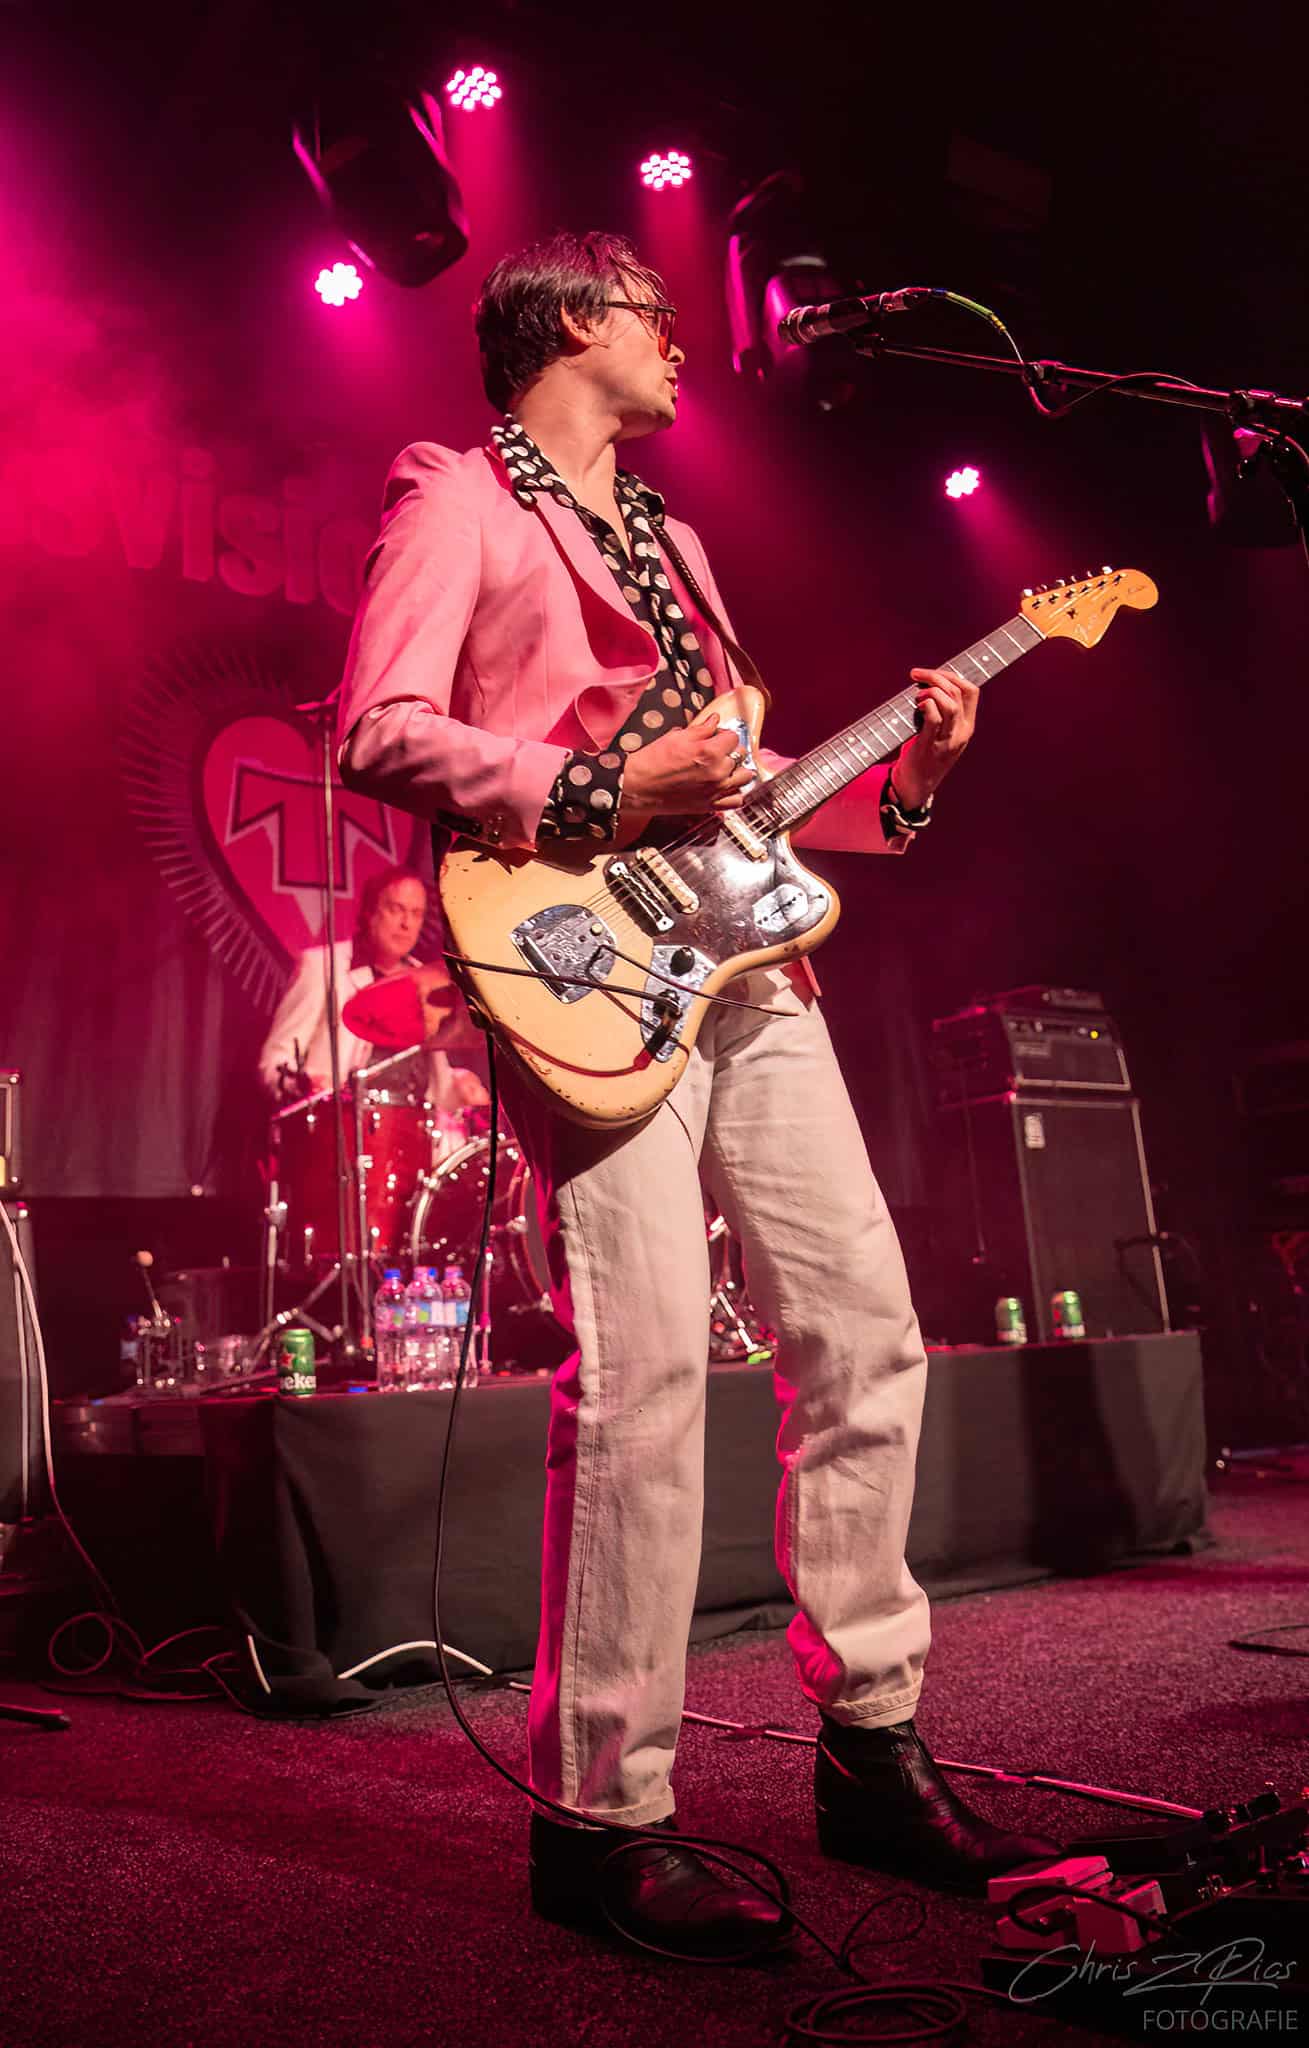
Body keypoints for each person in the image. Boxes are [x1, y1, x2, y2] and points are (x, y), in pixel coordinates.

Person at [336, 232, 1057, 1961]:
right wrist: (600, 785)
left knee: (864, 1328)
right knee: (646, 1372)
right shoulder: (459, 498)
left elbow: (734, 795)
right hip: (578, 965)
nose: (683, 346)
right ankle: (600, 1818)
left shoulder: (676, 542)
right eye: (659, 316)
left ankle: (870, 1747)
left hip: (745, 970)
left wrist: (904, 781)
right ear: (576, 320)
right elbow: (376, 728)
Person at [258, 864, 487, 1115]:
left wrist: (460, 1085)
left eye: (416, 913)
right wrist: (305, 1085)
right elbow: (275, 1062)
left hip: (415, 1127)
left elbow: (438, 1088)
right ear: (370, 912)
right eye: (396, 909)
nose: (406, 924)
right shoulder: (324, 967)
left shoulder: (430, 983)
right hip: (341, 1126)